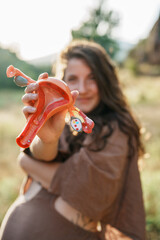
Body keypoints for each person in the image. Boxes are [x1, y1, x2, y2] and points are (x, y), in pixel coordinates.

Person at [0, 40, 146, 240]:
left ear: (105, 81)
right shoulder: (66, 120)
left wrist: (28, 163)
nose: (82, 88)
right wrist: (47, 139)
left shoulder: (117, 127)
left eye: (92, 78)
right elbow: (42, 155)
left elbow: (86, 189)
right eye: (73, 79)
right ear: (62, 82)